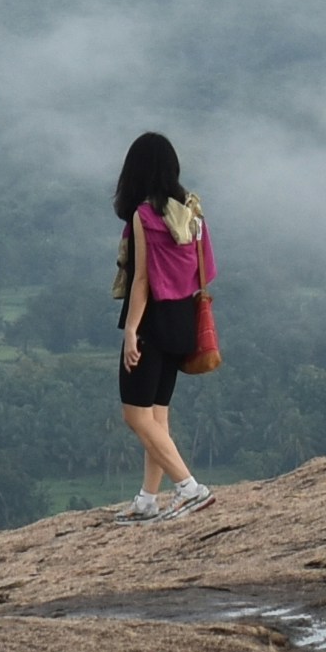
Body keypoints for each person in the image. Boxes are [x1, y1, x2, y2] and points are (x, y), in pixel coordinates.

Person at [111, 131, 213, 521]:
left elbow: (141, 280)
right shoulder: (190, 211)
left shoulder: (144, 215)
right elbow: (205, 268)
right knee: (157, 415)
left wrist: (132, 331)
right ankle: (147, 500)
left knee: (135, 416)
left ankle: (189, 488)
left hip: (152, 320)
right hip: (182, 319)